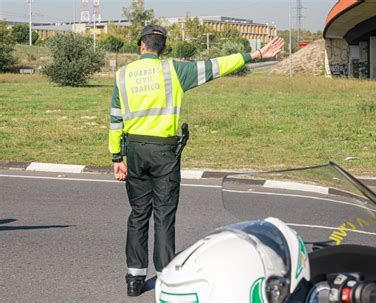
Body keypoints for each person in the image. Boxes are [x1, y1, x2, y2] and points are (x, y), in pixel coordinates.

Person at [108, 24, 285, 297]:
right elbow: (216, 65)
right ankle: (165, 279)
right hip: (164, 152)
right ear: (162, 48)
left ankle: (134, 279)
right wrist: (256, 54)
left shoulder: (122, 75)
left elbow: (115, 118)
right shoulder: (174, 71)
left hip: (134, 150)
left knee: (138, 214)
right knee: (164, 215)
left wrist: (117, 157)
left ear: (141, 45)